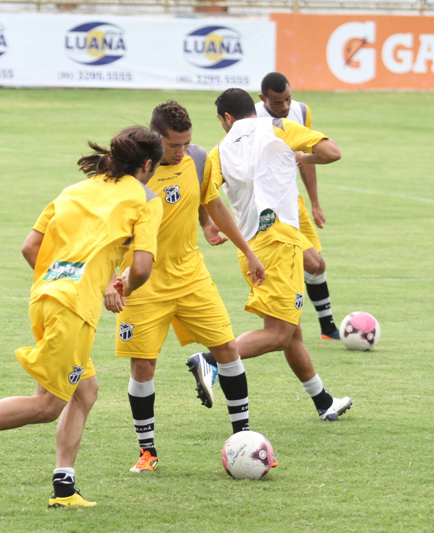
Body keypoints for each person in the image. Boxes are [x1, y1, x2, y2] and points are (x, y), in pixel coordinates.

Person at [0, 126, 165, 508]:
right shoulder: (144, 200)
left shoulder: (74, 190)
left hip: (45, 298)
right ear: (148, 164)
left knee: (85, 391)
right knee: (47, 404)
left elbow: (30, 247)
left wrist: (67, 280)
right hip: (74, 310)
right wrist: (121, 288)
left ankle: (64, 488)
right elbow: (141, 266)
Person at [105, 102, 265, 474]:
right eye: (172, 145)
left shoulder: (196, 159)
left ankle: (242, 437)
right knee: (143, 366)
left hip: (191, 274)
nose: (180, 151)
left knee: (226, 348)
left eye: (186, 143)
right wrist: (109, 281)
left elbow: (212, 202)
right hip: (141, 283)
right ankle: (147, 452)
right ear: (153, 139)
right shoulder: (132, 175)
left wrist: (244, 248)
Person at [199, 88, 352, 421]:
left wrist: (208, 226)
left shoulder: (219, 151)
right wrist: (302, 157)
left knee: (291, 332)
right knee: (279, 333)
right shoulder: (279, 127)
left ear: (226, 118)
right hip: (281, 242)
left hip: (250, 247)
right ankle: (211, 360)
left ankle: (323, 401)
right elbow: (331, 152)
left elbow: (203, 191)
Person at [256, 72, 340, 340]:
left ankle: (327, 329)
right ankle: (286, 325)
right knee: (311, 263)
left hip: (294, 202)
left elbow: (304, 158)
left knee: (318, 266)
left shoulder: (301, 111)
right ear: (263, 99)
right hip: (270, 211)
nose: (285, 107)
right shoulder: (251, 119)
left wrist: (315, 203)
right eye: (278, 102)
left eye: (288, 99)